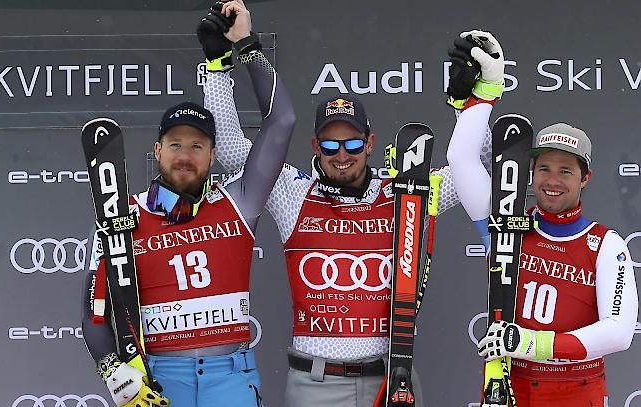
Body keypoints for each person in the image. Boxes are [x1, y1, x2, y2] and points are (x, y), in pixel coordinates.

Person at [199, 4, 494, 405]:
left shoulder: (406, 192)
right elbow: (235, 153)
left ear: (370, 144)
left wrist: (472, 103)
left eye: (353, 143)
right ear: (315, 147)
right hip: (315, 383)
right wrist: (218, 66)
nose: (343, 154)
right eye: (331, 144)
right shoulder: (292, 192)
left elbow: (475, 167)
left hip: (394, 379)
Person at [81, 5, 295, 406]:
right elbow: (94, 316)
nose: (185, 155)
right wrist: (117, 375)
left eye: (197, 145)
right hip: (160, 377)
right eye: (175, 144)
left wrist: (246, 45)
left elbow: (281, 121)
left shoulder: (239, 201)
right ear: (158, 150)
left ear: (212, 155)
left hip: (231, 378)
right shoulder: (121, 215)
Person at [446, 30, 638, 407]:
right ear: (530, 172)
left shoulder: (604, 243)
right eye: (544, 168)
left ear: (586, 178)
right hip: (509, 385)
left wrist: (528, 342)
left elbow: (619, 333)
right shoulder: (505, 223)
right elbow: (462, 160)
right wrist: (486, 91)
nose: (552, 181)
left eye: (566, 171)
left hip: (576, 389)